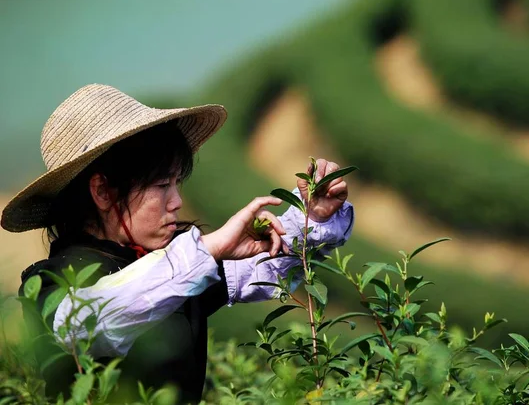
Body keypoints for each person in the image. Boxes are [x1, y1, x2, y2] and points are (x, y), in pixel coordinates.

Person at [1, 84, 354, 403]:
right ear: (103, 191)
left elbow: (265, 266)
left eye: (176, 183)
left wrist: (312, 215)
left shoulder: (174, 263)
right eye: (160, 186)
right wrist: (208, 249)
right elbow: (89, 322)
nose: (176, 202)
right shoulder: (50, 285)